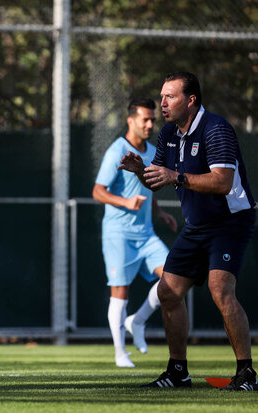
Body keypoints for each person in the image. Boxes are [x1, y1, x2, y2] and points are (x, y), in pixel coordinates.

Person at [120, 72, 256, 391]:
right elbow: (159, 178)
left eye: (171, 96)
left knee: (220, 290)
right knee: (168, 292)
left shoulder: (216, 128)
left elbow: (222, 182)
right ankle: (178, 372)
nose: (163, 103)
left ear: (191, 100)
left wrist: (175, 176)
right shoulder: (169, 132)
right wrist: (141, 171)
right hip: (197, 225)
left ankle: (247, 374)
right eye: (162, 96)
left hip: (230, 221)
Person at [93, 98, 177, 368]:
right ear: (131, 121)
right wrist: (125, 202)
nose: (150, 124)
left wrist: (160, 212)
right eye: (145, 119)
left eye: (153, 119)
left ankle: (137, 321)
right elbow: (98, 191)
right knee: (120, 292)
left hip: (146, 233)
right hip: (118, 233)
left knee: (174, 280)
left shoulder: (153, 151)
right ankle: (120, 354)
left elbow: (147, 189)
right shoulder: (116, 150)